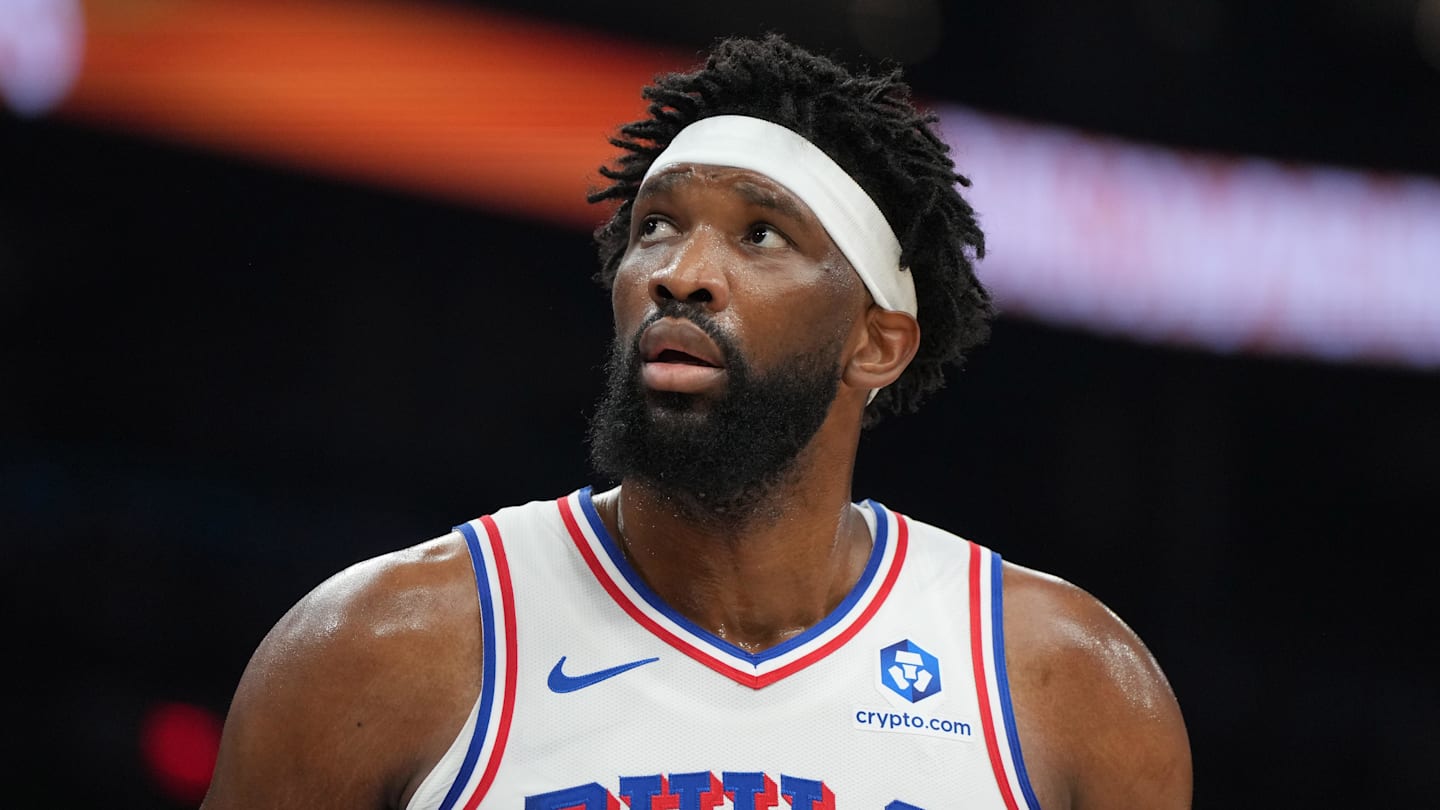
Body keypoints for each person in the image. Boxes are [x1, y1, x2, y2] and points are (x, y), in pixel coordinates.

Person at [200, 33, 1191, 810]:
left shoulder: (1066, 687)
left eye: (761, 235)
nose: (682, 271)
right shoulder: (375, 651)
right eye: (656, 228)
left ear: (877, 343)